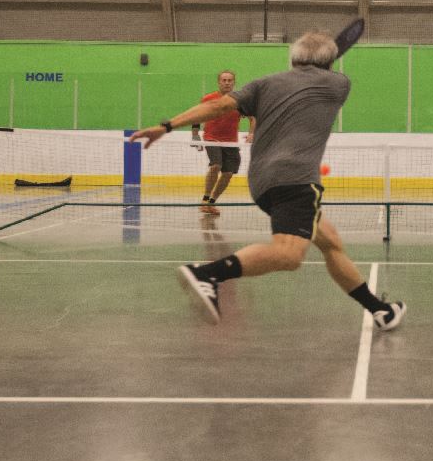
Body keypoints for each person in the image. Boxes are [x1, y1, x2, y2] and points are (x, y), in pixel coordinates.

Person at [130, 30, 404, 330]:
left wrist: (166, 126)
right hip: (296, 178)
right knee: (289, 254)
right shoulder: (338, 83)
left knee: (330, 242)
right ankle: (207, 272)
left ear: (293, 57)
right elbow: (325, 70)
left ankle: (379, 310)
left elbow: (217, 106)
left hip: (262, 181)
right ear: (330, 62)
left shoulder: (265, 83)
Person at [190, 70, 256, 215]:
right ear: (219, 82)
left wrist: (251, 134)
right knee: (216, 165)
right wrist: (195, 135)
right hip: (211, 139)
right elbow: (196, 116)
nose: (227, 83)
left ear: (234, 82)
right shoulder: (209, 98)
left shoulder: (239, 101)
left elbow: (252, 118)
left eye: (230, 80)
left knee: (228, 173)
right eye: (224, 80)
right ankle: (204, 200)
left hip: (231, 142)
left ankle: (211, 203)